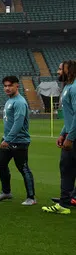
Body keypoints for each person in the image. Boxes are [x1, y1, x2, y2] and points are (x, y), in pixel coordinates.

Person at [0, 75, 36, 205]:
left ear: (17, 85)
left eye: (10, 85)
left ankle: (31, 198)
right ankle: (6, 192)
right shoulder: (9, 101)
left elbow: (18, 123)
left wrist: (8, 139)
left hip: (18, 141)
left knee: (23, 168)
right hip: (8, 139)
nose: (7, 88)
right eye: (5, 86)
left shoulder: (19, 102)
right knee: (1, 163)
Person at [45, 59, 76, 214]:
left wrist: (70, 137)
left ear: (69, 70)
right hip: (70, 134)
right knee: (67, 169)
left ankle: (65, 203)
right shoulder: (68, 87)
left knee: (67, 169)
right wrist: (63, 134)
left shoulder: (74, 88)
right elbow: (70, 116)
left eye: (60, 69)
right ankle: (66, 202)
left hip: (74, 138)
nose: (57, 72)